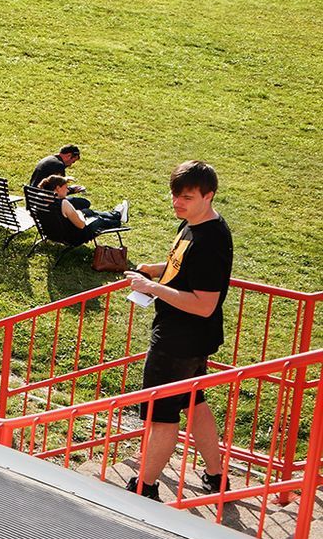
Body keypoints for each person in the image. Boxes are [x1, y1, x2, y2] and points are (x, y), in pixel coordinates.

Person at [125, 160, 233, 501]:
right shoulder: (194, 225)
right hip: (190, 340)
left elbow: (204, 304)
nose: (177, 203)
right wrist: (153, 270)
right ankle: (216, 476)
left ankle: (146, 486)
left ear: (209, 196)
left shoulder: (209, 242)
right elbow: (180, 265)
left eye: (186, 197)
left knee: (163, 416)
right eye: (175, 196)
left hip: (178, 342)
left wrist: (152, 288)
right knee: (195, 403)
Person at [33, 175, 127, 245]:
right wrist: (79, 213)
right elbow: (81, 225)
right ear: (58, 188)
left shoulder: (38, 198)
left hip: (51, 233)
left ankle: (117, 214)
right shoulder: (63, 204)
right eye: (66, 188)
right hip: (73, 237)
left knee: (88, 212)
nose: (67, 191)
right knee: (98, 219)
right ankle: (117, 221)